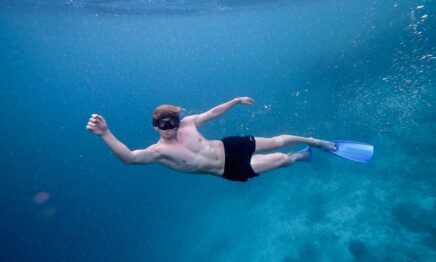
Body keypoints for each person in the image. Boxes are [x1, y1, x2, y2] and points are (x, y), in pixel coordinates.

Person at [86, 97, 337, 182]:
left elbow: (213, 112)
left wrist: (236, 101)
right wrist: (105, 133)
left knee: (278, 140)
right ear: (154, 126)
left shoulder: (187, 123)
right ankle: (302, 155)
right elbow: (129, 158)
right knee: (282, 159)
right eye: (162, 124)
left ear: (176, 120)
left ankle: (316, 142)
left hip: (230, 145)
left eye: (171, 122)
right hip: (227, 168)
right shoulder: (158, 151)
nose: (168, 128)